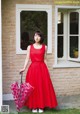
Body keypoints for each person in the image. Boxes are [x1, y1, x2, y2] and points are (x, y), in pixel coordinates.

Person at [20, 31, 58, 113]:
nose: (36, 37)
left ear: (41, 38)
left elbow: (45, 59)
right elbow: (27, 58)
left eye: (38, 36)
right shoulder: (29, 47)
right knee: (33, 88)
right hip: (33, 69)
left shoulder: (45, 47)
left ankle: (41, 106)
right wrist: (24, 68)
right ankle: (34, 106)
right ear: (33, 37)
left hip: (42, 69)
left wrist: (47, 69)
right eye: (35, 36)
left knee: (41, 87)